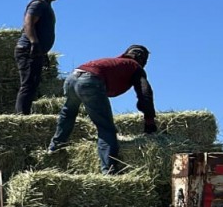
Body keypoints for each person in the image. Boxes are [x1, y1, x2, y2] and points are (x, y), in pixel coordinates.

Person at [47, 45, 157, 174]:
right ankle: (108, 170)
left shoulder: (115, 63)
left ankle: (54, 147)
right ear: (141, 58)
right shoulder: (134, 66)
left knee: (68, 113)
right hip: (90, 81)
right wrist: (149, 119)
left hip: (72, 78)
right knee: (106, 127)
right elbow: (145, 93)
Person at [16, 0, 67, 114]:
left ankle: (25, 115)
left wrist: (42, 51)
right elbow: (29, 23)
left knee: (33, 84)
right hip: (28, 49)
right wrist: (34, 43)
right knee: (28, 85)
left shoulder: (46, 5)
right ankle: (22, 117)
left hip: (36, 50)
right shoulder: (39, 3)